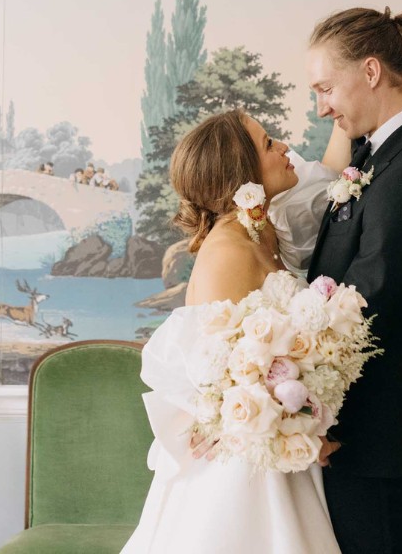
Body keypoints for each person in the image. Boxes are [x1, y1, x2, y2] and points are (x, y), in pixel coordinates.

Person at [120, 108, 350, 554]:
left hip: (280, 461)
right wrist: (297, 429)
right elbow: (222, 384)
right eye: (269, 144)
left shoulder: (260, 228)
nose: (285, 148)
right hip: (240, 474)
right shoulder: (227, 250)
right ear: (241, 174)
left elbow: (330, 172)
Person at [305, 7, 402, 554]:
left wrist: (297, 405)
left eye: (326, 87)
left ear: (370, 72)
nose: (322, 105)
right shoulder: (385, 156)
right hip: (362, 437)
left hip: (376, 437)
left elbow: (366, 307)